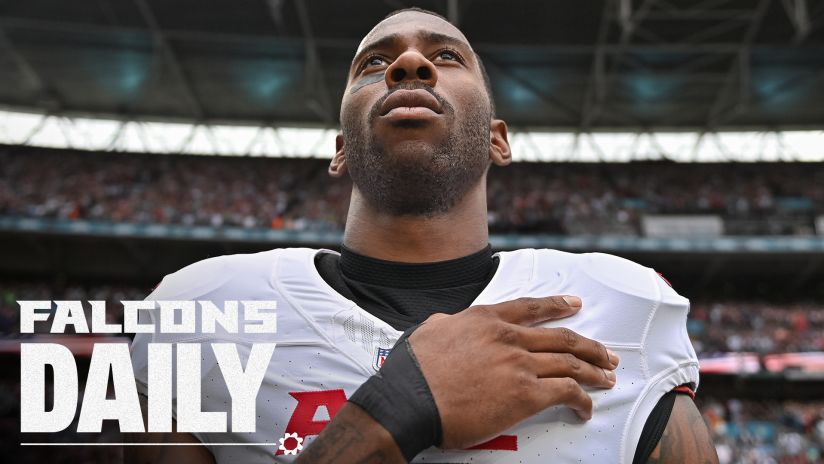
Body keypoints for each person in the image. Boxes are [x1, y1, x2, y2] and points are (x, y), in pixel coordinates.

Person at [127, 7, 717, 464]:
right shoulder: (204, 308)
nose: (409, 65)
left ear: (497, 140)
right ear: (340, 152)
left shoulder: (622, 306)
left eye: (446, 57)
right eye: (373, 65)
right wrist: (397, 409)